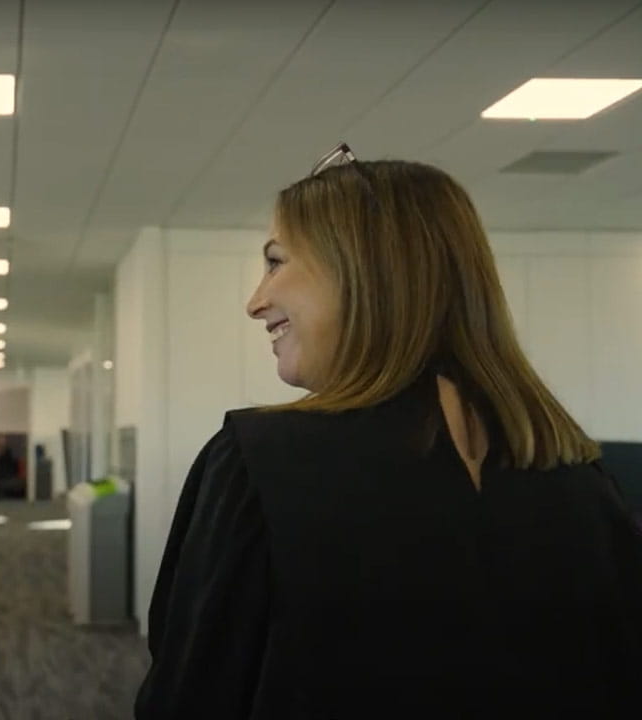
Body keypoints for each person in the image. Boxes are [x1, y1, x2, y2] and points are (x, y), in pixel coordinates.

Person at [135, 145, 642, 718]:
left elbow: (190, 695)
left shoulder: (260, 464)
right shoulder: (580, 476)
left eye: (277, 262)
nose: (257, 302)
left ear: (363, 271)